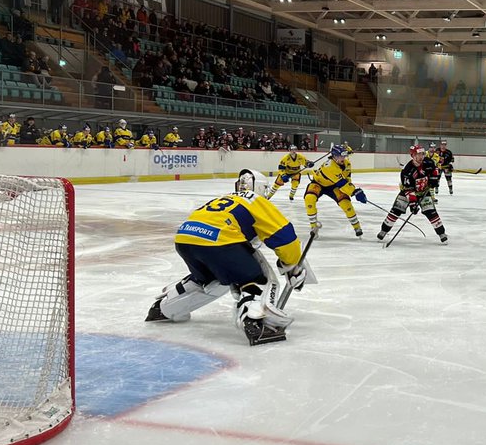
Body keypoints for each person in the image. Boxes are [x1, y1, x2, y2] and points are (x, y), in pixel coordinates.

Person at [145, 169, 307, 346]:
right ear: (260, 187)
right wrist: (291, 265)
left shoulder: (226, 198)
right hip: (219, 242)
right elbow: (285, 238)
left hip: (185, 239)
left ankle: (164, 309)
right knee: (257, 278)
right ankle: (258, 321)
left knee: (208, 279)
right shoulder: (256, 200)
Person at [376, 144, 448, 244]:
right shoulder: (407, 170)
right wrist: (413, 204)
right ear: (413, 156)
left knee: (431, 212)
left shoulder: (428, 162)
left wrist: (434, 180)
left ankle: (441, 233)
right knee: (396, 211)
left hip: (423, 191)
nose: (421, 157)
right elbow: (408, 189)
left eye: (422, 154)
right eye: (418, 155)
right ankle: (384, 230)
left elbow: (435, 170)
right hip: (407, 192)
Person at [304, 143, 367, 238]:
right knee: (309, 198)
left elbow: (347, 180)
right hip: (318, 183)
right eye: (342, 156)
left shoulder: (347, 164)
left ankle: (357, 227)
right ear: (334, 156)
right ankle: (313, 227)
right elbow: (342, 183)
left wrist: (353, 190)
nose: (344, 158)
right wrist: (354, 191)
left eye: (345, 155)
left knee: (346, 203)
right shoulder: (329, 167)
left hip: (333, 185)